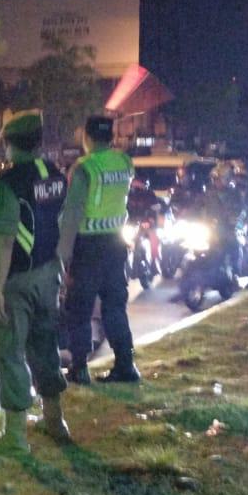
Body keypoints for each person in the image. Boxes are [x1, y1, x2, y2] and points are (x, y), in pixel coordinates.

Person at [0, 110, 71, 452]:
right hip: (49, 274)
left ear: (9, 144)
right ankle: (54, 420)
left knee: (8, 352)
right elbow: (62, 224)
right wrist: (61, 269)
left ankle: (15, 437)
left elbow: (3, 241)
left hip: (16, 280)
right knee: (45, 345)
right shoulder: (55, 177)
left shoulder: (7, 186)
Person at [58, 116, 139, 384]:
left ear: (87, 137)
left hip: (88, 247)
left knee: (79, 309)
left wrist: (63, 254)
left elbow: (72, 214)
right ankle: (126, 365)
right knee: (115, 306)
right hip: (116, 245)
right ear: (111, 137)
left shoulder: (85, 168)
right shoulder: (124, 162)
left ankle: (80, 369)